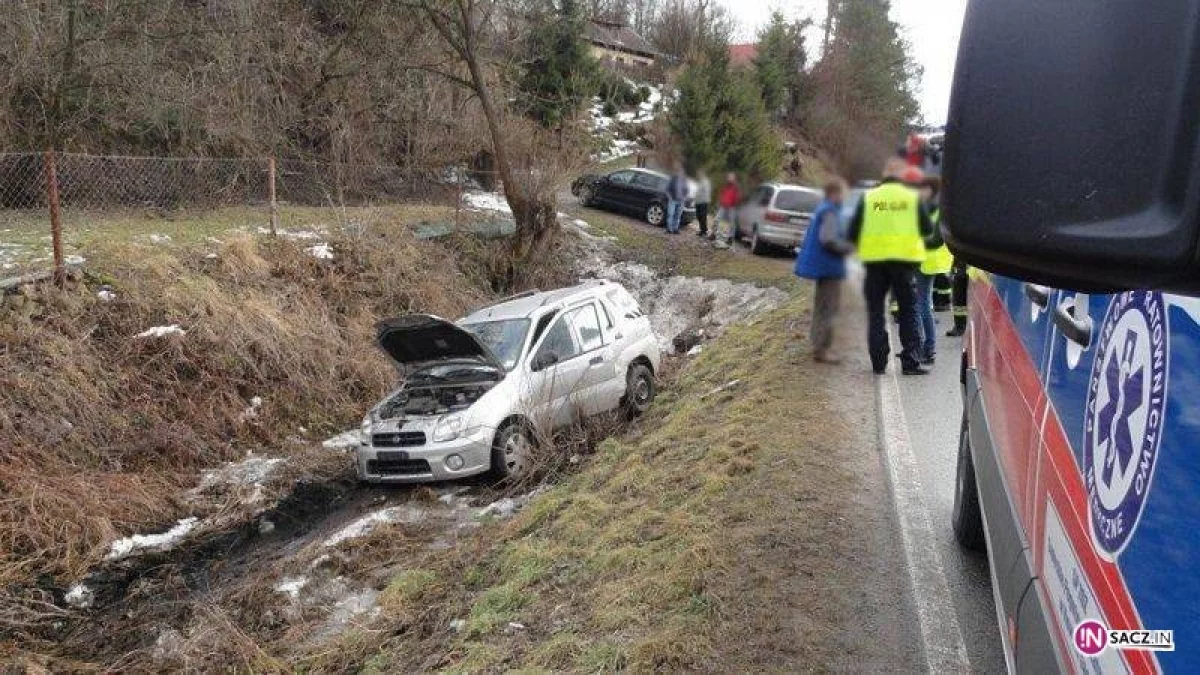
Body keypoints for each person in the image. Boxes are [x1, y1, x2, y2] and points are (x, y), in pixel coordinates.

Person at [847, 157, 939, 375]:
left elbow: (852, 232)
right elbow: (927, 230)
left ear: (883, 175)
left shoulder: (868, 198)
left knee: (876, 312)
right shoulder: (911, 199)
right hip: (905, 264)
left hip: (874, 263)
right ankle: (910, 362)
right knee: (909, 311)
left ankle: (879, 363)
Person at [794, 178, 854, 363]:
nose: (844, 196)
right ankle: (822, 349)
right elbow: (828, 239)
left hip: (823, 266)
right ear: (834, 194)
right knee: (828, 308)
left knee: (821, 306)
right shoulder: (830, 211)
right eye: (842, 192)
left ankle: (817, 344)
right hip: (828, 267)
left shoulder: (823, 209)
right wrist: (847, 248)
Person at [916, 175, 951, 364]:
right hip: (918, 260)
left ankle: (928, 348)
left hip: (928, 262)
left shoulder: (938, 209)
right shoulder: (922, 207)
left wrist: (915, 241)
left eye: (922, 189)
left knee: (923, 306)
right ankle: (921, 347)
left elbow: (937, 239)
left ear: (930, 190)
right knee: (921, 305)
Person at [714, 173, 741, 244]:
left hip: (732, 207)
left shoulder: (736, 187)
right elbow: (722, 194)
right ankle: (713, 233)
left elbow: (737, 197)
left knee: (732, 223)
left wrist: (734, 204)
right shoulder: (726, 185)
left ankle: (730, 238)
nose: (729, 178)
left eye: (731, 177)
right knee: (717, 219)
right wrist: (720, 202)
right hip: (723, 205)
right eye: (729, 177)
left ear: (734, 178)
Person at [665, 165, 688, 234]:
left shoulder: (684, 180)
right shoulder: (673, 178)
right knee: (670, 214)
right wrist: (670, 197)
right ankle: (669, 229)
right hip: (673, 200)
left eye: (681, 171)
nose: (680, 172)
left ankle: (675, 229)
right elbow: (667, 189)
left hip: (681, 201)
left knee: (677, 216)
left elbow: (687, 190)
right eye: (679, 171)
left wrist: (685, 198)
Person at [694, 171, 712, 237]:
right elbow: (697, 191)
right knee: (698, 216)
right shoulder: (700, 182)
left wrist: (705, 200)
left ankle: (704, 231)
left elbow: (706, 193)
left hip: (703, 202)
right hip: (698, 202)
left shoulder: (706, 182)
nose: (699, 176)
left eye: (700, 174)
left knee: (703, 216)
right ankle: (702, 229)